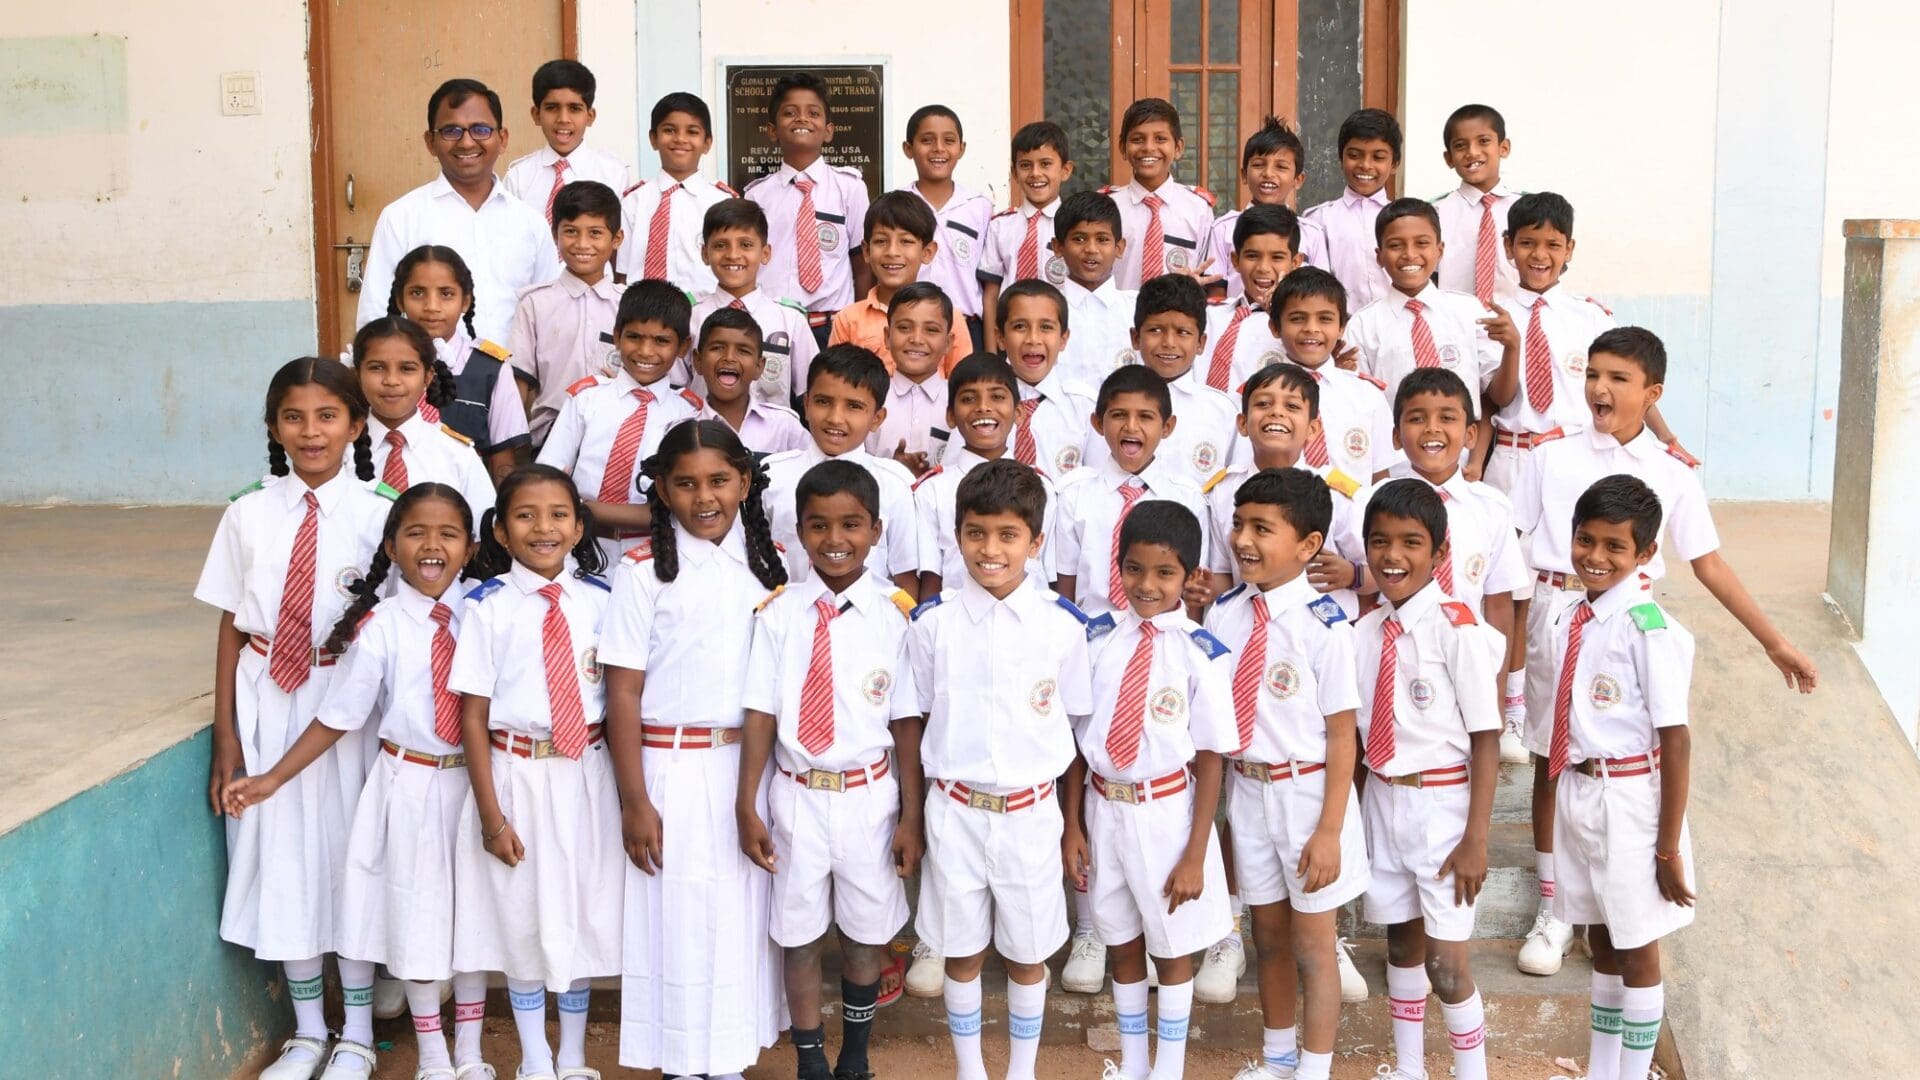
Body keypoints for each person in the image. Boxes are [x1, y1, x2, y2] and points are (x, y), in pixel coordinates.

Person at [1510, 326, 1816, 977]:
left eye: (1618, 379)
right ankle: (1554, 903)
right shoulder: (1550, 454)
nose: (1599, 388)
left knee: (1628, 756)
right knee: (1551, 756)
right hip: (1558, 612)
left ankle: (1623, 898)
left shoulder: (1671, 473)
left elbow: (1708, 564)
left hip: (1627, 629)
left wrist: (1773, 640)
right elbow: (1514, 545)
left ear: (1651, 394)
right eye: (1593, 373)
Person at [222, 484, 490, 1080]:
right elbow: (338, 717)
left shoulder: (490, 613)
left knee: (474, 919)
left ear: (471, 548)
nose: (431, 546)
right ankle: (433, 1059)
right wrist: (270, 778)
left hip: (477, 791)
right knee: (411, 916)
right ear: (391, 548)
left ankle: (471, 1055)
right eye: (415, 533)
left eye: (448, 534)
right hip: (410, 783)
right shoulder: (379, 626)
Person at [195, 357, 392, 1080]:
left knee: (353, 858)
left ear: (356, 424)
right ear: (274, 427)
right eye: (294, 417)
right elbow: (226, 624)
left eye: (327, 416)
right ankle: (309, 1031)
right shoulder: (247, 512)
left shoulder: (383, 511)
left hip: (350, 703)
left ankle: (361, 1034)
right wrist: (226, 738)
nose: (311, 432)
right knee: (282, 858)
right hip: (267, 701)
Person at [599, 420, 791, 1078]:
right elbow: (621, 692)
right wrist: (634, 799)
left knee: (738, 916)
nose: (702, 496)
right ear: (660, 489)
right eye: (684, 483)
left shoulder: (768, 566)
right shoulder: (642, 572)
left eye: (717, 481)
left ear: (743, 482)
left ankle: (728, 1059)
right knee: (676, 916)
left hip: (746, 767)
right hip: (668, 768)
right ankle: (681, 1063)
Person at [907, 459, 1094, 1080]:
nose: (990, 550)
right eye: (975, 533)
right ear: (957, 535)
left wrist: (1072, 826)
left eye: (1008, 535)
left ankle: (1020, 1070)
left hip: (1031, 814)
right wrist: (913, 815)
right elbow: (916, 719)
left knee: (1026, 952)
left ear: (1035, 543)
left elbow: (1073, 735)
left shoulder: (1063, 628)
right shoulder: (932, 624)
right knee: (960, 951)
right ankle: (970, 1069)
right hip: (955, 809)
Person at [738, 461, 922, 1080]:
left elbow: (905, 728)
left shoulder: (897, 616)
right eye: (818, 526)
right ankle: (810, 1060)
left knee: (866, 936)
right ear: (797, 532)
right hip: (795, 797)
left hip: (869, 799)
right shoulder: (778, 613)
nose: (834, 539)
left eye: (850, 525)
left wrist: (911, 817)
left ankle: (857, 1058)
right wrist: (748, 803)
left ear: (875, 529)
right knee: (798, 936)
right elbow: (761, 715)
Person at [448, 465, 621, 1080]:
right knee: (520, 916)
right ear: (499, 529)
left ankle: (573, 1057)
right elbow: (472, 716)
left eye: (556, 515)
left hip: (587, 774)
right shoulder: (485, 608)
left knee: (578, 911)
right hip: (516, 772)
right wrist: (493, 818)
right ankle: (534, 1057)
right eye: (524, 515)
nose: (541, 528)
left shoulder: (606, 600)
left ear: (577, 527)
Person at [1207, 468, 1372, 1080]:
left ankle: (1315, 1067)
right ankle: (1277, 1060)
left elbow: (1340, 735)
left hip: (1308, 797)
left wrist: (1329, 829)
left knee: (1312, 945)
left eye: (1262, 529)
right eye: (1239, 524)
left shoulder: (1324, 626)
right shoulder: (1225, 614)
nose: (1244, 539)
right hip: (1248, 793)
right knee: (1267, 938)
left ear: (1308, 546)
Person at [1063, 501, 1236, 1080]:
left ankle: (1170, 1069)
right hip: (1104, 807)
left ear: (1190, 578)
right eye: (1134, 569)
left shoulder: (1200, 652)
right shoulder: (1098, 639)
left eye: (1165, 573)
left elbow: (1212, 756)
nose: (1147, 584)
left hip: (1166, 811)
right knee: (1122, 941)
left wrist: (1195, 852)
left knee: (1171, 945)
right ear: (1119, 568)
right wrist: (1074, 825)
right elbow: (1077, 743)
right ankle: (1134, 1065)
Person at [1546, 475, 1697, 1080]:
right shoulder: (1571, 616)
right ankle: (1602, 1069)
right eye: (1586, 540)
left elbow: (1676, 739)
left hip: (1630, 800)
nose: (1596, 557)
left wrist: (1666, 846)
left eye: (1615, 546)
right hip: (1579, 789)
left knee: (1636, 948)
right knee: (1601, 941)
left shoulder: (1647, 628)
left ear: (1645, 555)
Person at [1354, 479, 1506, 1080]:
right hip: (1385, 803)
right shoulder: (1366, 633)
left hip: (1443, 808)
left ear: (1440, 553)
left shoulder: (1457, 630)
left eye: (1411, 542)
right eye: (1380, 541)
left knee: (1446, 965)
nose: (1393, 555)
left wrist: (1477, 838)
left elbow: (1486, 738)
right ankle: (1410, 1068)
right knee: (1399, 943)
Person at [358, 78, 557, 343]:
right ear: (430, 141)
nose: (466, 143)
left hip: (514, 379)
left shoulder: (530, 223)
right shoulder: (401, 217)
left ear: (502, 138)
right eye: (451, 131)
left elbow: (550, 314)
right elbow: (375, 317)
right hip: (431, 379)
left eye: (481, 129)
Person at [536, 280, 701, 564]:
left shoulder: (688, 415)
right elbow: (547, 479)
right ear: (616, 336)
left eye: (661, 341)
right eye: (634, 337)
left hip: (654, 554)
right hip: (577, 548)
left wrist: (585, 507)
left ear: (683, 346)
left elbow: (679, 504)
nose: (646, 351)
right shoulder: (586, 399)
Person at [1206, 365, 1371, 622]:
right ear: (1242, 423)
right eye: (1263, 403)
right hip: (1247, 628)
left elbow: (1380, 571)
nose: (1276, 412)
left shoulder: (1335, 492)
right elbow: (1221, 574)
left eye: (1292, 407)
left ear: (1313, 429)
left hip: (1322, 632)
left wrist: (1353, 575)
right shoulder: (1222, 490)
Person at [763, 346, 922, 595]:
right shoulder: (771, 477)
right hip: (786, 626)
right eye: (823, 402)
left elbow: (905, 576)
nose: (835, 418)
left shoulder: (895, 484)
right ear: (805, 404)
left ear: (877, 418)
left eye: (854, 406)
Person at [1055, 365, 1207, 620]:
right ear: (1097, 423)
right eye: (1118, 415)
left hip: (1163, 639)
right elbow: (1066, 588)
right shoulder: (1074, 495)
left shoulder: (1188, 498)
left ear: (1167, 426)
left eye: (1145, 417)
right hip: (1090, 637)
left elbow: (1193, 588)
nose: (1131, 427)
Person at [1344, 198, 1505, 432]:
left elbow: (1496, 393)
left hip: (1460, 456)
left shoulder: (1469, 312)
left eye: (1421, 243)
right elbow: (1358, 405)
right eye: (1396, 245)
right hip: (1393, 457)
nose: (1409, 254)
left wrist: (1512, 347)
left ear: (1440, 250)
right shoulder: (1363, 325)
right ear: (1379, 256)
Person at [912, 353, 1059, 596]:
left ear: (1019, 412)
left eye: (997, 397)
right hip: (959, 621)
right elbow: (931, 577)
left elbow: (1050, 573)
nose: (983, 407)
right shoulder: (932, 491)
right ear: (950, 415)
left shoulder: (1042, 486)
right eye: (969, 398)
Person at [744, 71, 872, 348]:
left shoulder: (850, 188)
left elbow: (861, 265)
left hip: (833, 326)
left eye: (813, 113)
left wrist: (861, 322)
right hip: (772, 324)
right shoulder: (756, 195)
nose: (802, 118)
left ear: (829, 131)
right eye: (790, 112)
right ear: (772, 131)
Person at [386, 244, 530, 481]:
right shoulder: (378, 365)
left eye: (446, 294)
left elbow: (502, 463)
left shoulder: (490, 369)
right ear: (400, 300)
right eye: (417, 293)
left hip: (466, 506)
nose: (431, 306)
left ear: (465, 302)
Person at [1083, 273, 1239, 490]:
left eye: (1183, 332)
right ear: (1135, 338)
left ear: (1201, 343)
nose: (1168, 343)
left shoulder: (1222, 411)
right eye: (1155, 330)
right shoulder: (1103, 401)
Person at [508, 180, 629, 447]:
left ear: (617, 238)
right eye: (571, 232)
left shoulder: (629, 304)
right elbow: (518, 387)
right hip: (550, 437)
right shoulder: (535, 304)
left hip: (618, 437)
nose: (582, 244)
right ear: (555, 235)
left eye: (595, 233)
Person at [351, 317, 495, 525]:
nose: (391, 380)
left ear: (428, 377)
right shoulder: (338, 450)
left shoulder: (457, 454)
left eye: (407, 368)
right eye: (376, 367)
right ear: (358, 375)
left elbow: (482, 532)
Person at [686, 198, 820, 405]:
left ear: (765, 253)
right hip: (703, 432)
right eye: (721, 245)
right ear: (705, 254)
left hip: (771, 436)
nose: (733, 255)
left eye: (746, 245)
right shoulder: (691, 316)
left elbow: (812, 392)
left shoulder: (790, 320)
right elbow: (676, 389)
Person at [1266, 268, 1394, 482]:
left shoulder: (1367, 395)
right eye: (1297, 318)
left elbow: (1379, 476)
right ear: (1275, 327)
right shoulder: (1259, 395)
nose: (1311, 329)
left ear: (1342, 327)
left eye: (1325, 319)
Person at [828, 192, 969, 374]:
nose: (892, 251)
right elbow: (837, 384)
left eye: (906, 241)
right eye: (881, 241)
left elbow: (963, 384)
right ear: (866, 250)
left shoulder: (950, 317)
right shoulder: (848, 319)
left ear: (927, 252)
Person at [618, 92, 735, 293]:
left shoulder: (724, 201)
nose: (680, 139)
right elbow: (622, 271)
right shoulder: (634, 201)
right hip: (645, 314)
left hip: (706, 312)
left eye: (692, 132)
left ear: (707, 143)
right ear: (653, 139)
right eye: (669, 130)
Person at [902, 104, 994, 352]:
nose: (939, 149)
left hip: (966, 327)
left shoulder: (980, 207)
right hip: (911, 330)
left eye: (949, 140)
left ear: (961, 149)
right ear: (908, 149)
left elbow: (989, 283)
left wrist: (990, 349)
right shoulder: (897, 205)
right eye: (927, 140)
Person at [979, 121, 1074, 353]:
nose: (1035, 174)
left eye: (1045, 164)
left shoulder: (1075, 226)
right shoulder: (1000, 226)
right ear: (1014, 172)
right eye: (1025, 165)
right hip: (1012, 340)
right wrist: (992, 354)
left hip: (1061, 343)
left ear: (1065, 170)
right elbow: (991, 296)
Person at [1105, 98, 1216, 291]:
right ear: (1123, 148)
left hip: (1176, 315)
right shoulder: (1107, 207)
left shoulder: (1198, 208)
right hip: (1117, 317)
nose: (1148, 147)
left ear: (1178, 147)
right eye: (1137, 139)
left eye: (1160, 139)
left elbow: (1206, 271)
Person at [503, 59, 631, 221]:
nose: (563, 119)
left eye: (574, 109)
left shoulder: (613, 174)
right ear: (536, 115)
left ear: (590, 117)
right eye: (552, 108)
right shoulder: (519, 177)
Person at [1299, 108, 1400, 311]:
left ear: (1395, 164)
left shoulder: (1406, 218)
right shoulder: (1319, 219)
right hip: (1342, 331)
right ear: (1340, 158)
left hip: (1396, 328)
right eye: (1355, 155)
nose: (1365, 165)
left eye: (1378, 157)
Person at [1206, 116, 1316, 302]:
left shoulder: (1312, 233)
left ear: (1298, 180)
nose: (1268, 174)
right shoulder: (1223, 229)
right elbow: (1216, 294)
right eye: (1258, 165)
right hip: (1237, 324)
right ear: (1243, 174)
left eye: (1281, 167)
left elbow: (1317, 292)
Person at [996, 278, 1098, 477]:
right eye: (1019, 327)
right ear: (1000, 338)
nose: (1033, 339)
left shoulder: (1085, 405)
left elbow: (1098, 482)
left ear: (1063, 339)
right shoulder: (982, 402)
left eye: (1046, 327)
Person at [1201, 205, 1299, 394]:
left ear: (1295, 263)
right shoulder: (1208, 316)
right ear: (1235, 261)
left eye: (1277, 257)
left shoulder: (1298, 328)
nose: (1263, 267)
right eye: (1252, 256)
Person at [865, 282, 960, 475]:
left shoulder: (960, 401)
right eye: (904, 327)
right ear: (887, 337)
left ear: (948, 342)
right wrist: (893, 469)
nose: (916, 339)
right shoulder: (868, 399)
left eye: (931, 330)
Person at [1429, 104, 1519, 306]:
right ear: (1449, 158)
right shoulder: (1435, 212)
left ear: (1503, 148)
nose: (1472, 152)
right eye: (1460, 145)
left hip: (1515, 324)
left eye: (1484, 141)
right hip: (1454, 322)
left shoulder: (1525, 209)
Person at [690, 305, 810, 454]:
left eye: (743, 351)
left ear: (759, 366)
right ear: (698, 360)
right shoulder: (684, 429)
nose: (729, 358)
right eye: (717, 348)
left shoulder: (785, 427)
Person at [1052, 190, 1140, 390]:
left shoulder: (1137, 309)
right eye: (1079, 239)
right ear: (1058, 247)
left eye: (1102, 239)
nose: (1091, 249)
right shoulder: (1044, 311)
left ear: (1119, 247)